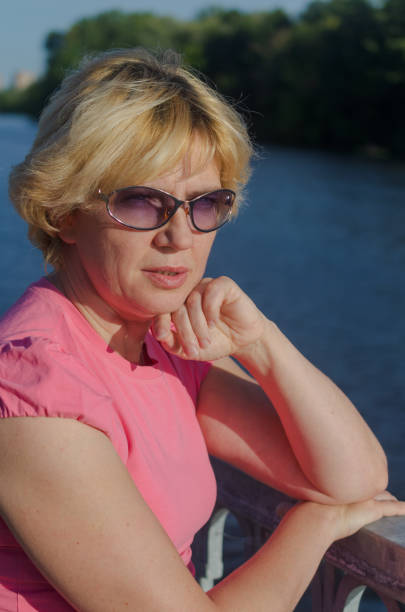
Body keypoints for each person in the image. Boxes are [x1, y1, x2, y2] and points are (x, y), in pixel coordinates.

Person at [0, 47, 403, 612]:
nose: (180, 237)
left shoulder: (165, 343)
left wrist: (260, 340)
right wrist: (313, 528)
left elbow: (354, 478)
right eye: (142, 202)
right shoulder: (36, 391)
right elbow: (334, 501)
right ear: (65, 212)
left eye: (206, 204)